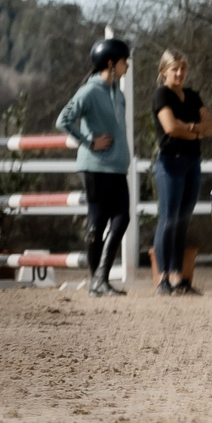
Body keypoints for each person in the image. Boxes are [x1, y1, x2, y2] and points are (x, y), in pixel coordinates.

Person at [57, 37, 137, 296]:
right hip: (95, 166)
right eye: (125, 61)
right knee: (98, 222)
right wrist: (89, 142)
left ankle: (100, 280)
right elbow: (63, 120)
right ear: (111, 63)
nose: (128, 65)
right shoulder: (89, 92)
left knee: (122, 219)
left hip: (117, 167)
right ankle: (97, 282)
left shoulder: (118, 94)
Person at [150, 49, 212, 295]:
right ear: (164, 71)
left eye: (183, 68)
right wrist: (196, 130)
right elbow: (170, 128)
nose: (179, 73)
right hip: (171, 163)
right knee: (168, 220)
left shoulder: (192, 96)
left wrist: (189, 128)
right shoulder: (161, 95)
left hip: (192, 162)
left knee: (183, 220)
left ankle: (178, 277)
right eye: (174, 68)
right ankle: (162, 279)